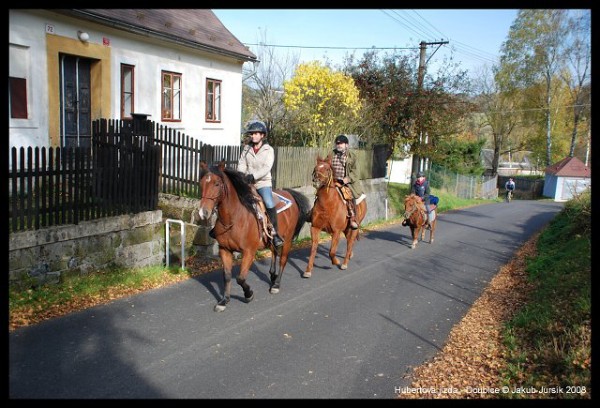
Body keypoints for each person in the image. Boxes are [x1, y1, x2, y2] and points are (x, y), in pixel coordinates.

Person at [237, 120, 284, 248]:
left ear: (262, 135)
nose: (253, 136)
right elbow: (242, 163)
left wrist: (254, 176)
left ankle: (275, 233)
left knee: (268, 202)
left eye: (256, 134)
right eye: (252, 134)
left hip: (262, 183)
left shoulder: (269, 150)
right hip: (247, 182)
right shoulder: (246, 149)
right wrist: (241, 176)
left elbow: (267, 167)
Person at [331, 134, 364, 230]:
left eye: (341, 143)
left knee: (348, 196)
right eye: (337, 144)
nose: (338, 145)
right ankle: (313, 213)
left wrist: (347, 179)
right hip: (332, 181)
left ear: (346, 145)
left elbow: (356, 172)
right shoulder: (332, 154)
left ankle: (352, 218)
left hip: (345, 182)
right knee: (320, 193)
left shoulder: (352, 156)